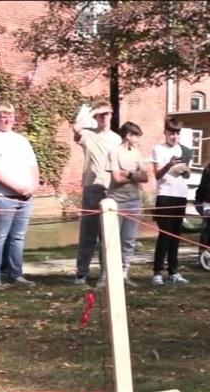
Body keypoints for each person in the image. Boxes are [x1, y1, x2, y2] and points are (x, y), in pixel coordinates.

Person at [0, 102, 39, 288]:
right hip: (1, 196)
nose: (7, 119)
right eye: (3, 116)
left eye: (10, 115)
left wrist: (33, 186)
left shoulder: (21, 140)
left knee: (18, 237)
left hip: (25, 197)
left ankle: (16, 275)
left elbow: (33, 165)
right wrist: (14, 187)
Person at [73, 99, 122, 285]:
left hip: (111, 189)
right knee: (88, 233)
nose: (105, 117)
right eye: (101, 114)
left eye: (108, 113)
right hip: (92, 187)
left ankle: (106, 274)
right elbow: (76, 129)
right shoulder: (88, 134)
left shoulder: (117, 139)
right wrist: (90, 111)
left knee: (107, 234)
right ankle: (81, 273)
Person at [102, 121, 148, 287]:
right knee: (111, 240)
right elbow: (116, 178)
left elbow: (145, 177)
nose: (138, 140)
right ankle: (106, 276)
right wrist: (133, 175)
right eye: (136, 136)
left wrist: (128, 173)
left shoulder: (136, 154)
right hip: (116, 202)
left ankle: (123, 274)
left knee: (129, 240)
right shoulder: (114, 153)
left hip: (134, 201)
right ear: (128, 136)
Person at [150, 118, 192, 286]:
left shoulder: (185, 151)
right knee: (165, 235)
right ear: (165, 133)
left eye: (177, 133)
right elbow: (157, 175)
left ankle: (173, 271)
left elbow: (188, 175)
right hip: (165, 195)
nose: (174, 137)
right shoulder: (158, 149)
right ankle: (157, 272)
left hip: (180, 195)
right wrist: (169, 164)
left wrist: (185, 170)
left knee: (176, 235)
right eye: (171, 133)